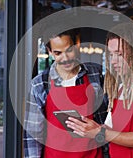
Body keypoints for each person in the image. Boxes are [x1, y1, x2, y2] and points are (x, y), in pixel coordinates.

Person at [66, 23, 133, 158]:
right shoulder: (122, 88)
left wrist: (100, 132)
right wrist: (89, 128)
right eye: (111, 55)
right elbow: (110, 132)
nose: (113, 61)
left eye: (119, 54)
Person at [23, 29, 108, 158]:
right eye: (58, 53)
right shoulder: (40, 84)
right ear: (50, 51)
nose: (65, 58)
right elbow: (33, 136)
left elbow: (104, 121)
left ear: (77, 45)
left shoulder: (94, 75)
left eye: (69, 50)